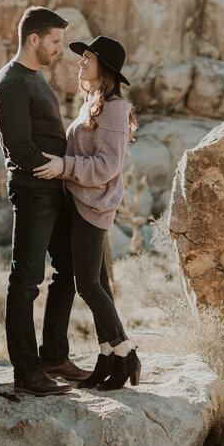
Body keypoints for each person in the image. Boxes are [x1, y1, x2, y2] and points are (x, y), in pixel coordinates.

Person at [0, 6, 92, 396]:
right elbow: (19, 149)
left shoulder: (34, 78)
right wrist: (62, 169)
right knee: (26, 281)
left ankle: (54, 356)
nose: (59, 50)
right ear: (33, 39)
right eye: (54, 42)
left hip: (54, 190)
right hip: (33, 193)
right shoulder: (12, 83)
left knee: (69, 269)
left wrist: (65, 171)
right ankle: (28, 373)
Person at [35, 35, 140, 390]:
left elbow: (108, 164)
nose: (79, 62)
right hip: (78, 202)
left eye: (87, 58)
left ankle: (126, 353)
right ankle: (106, 358)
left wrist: (63, 167)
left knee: (89, 286)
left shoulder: (114, 108)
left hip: (93, 206)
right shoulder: (93, 103)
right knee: (101, 287)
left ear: (104, 68)